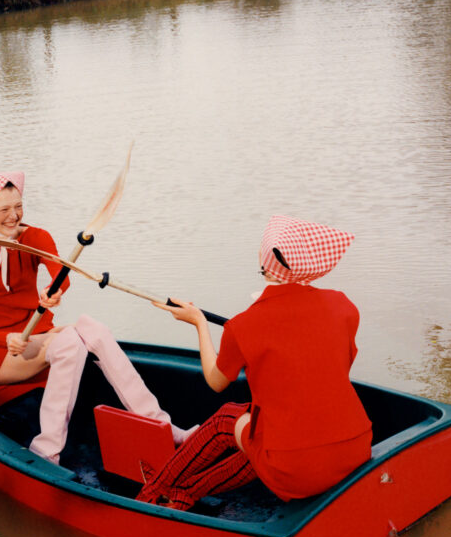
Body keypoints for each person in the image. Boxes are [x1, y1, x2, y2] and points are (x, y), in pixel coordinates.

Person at [0, 172, 194, 463]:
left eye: (19, 206)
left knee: (94, 330)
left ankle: (163, 427)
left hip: (38, 336)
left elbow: (60, 276)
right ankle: (47, 449)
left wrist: (54, 291)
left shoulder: (36, 237)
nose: (14, 216)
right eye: (4, 210)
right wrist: (6, 339)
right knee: (69, 343)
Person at [136, 214, 372, 509]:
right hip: (355, 449)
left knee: (225, 420)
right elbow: (332, 369)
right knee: (260, 435)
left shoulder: (244, 325)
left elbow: (216, 381)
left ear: (264, 258)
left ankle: (151, 493)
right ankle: (186, 493)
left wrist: (199, 323)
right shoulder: (343, 305)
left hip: (297, 470)